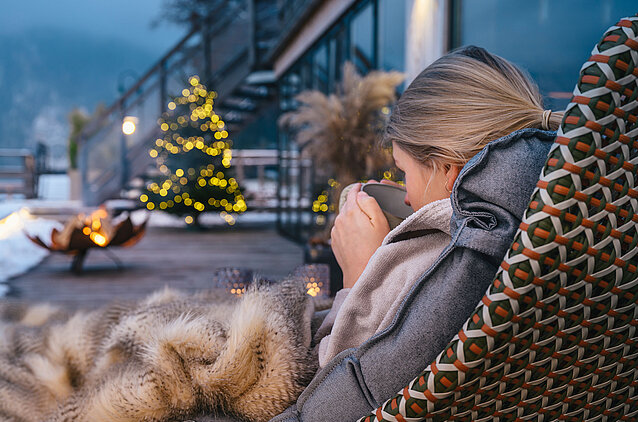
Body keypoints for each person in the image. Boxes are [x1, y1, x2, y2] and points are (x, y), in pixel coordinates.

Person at [313, 45, 564, 368]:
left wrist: (361, 276)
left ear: (448, 171)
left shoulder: (442, 266)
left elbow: (332, 386)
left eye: (404, 171)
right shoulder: (550, 229)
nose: (405, 196)